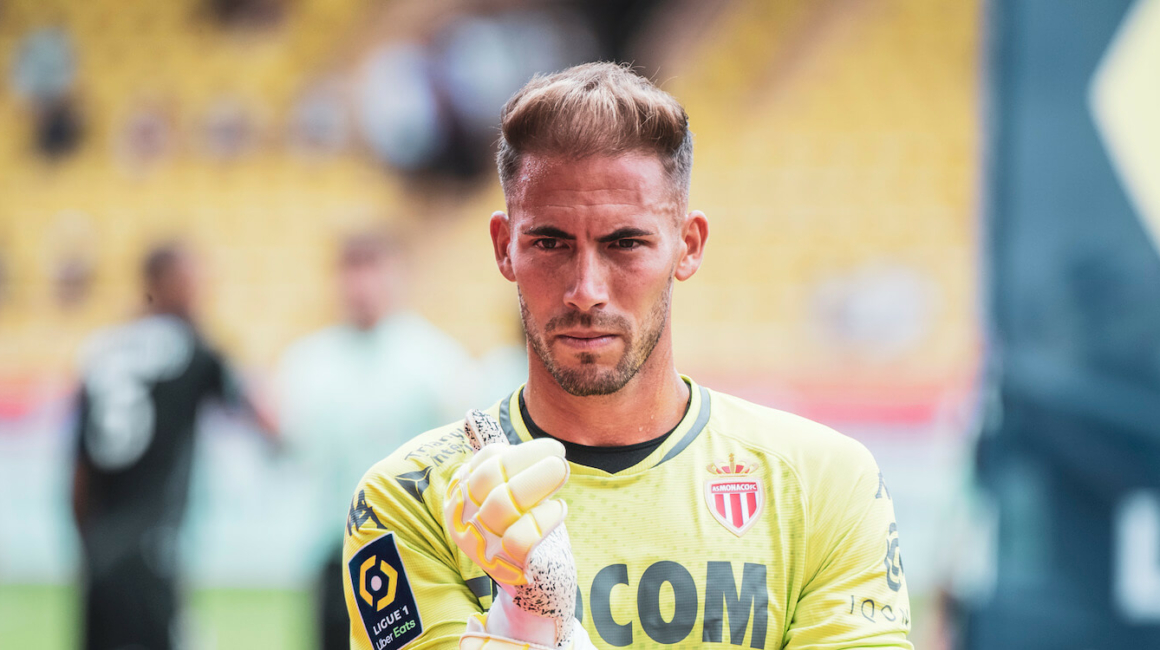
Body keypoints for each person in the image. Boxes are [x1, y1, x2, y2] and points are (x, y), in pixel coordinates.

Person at [341, 62, 912, 650]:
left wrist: (548, 636)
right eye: (550, 242)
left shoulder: (824, 483)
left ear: (688, 246)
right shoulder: (408, 498)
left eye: (625, 243)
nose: (585, 290)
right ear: (504, 247)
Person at [71, 242, 276, 650]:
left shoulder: (101, 351)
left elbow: (78, 476)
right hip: (156, 549)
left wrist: (89, 546)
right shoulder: (193, 347)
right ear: (165, 285)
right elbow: (267, 419)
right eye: (192, 282)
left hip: (98, 554)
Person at [277, 230, 475, 650]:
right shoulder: (308, 363)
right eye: (352, 269)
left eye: (372, 268)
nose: (361, 284)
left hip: (411, 550)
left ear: (397, 275)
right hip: (333, 550)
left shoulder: (436, 362)